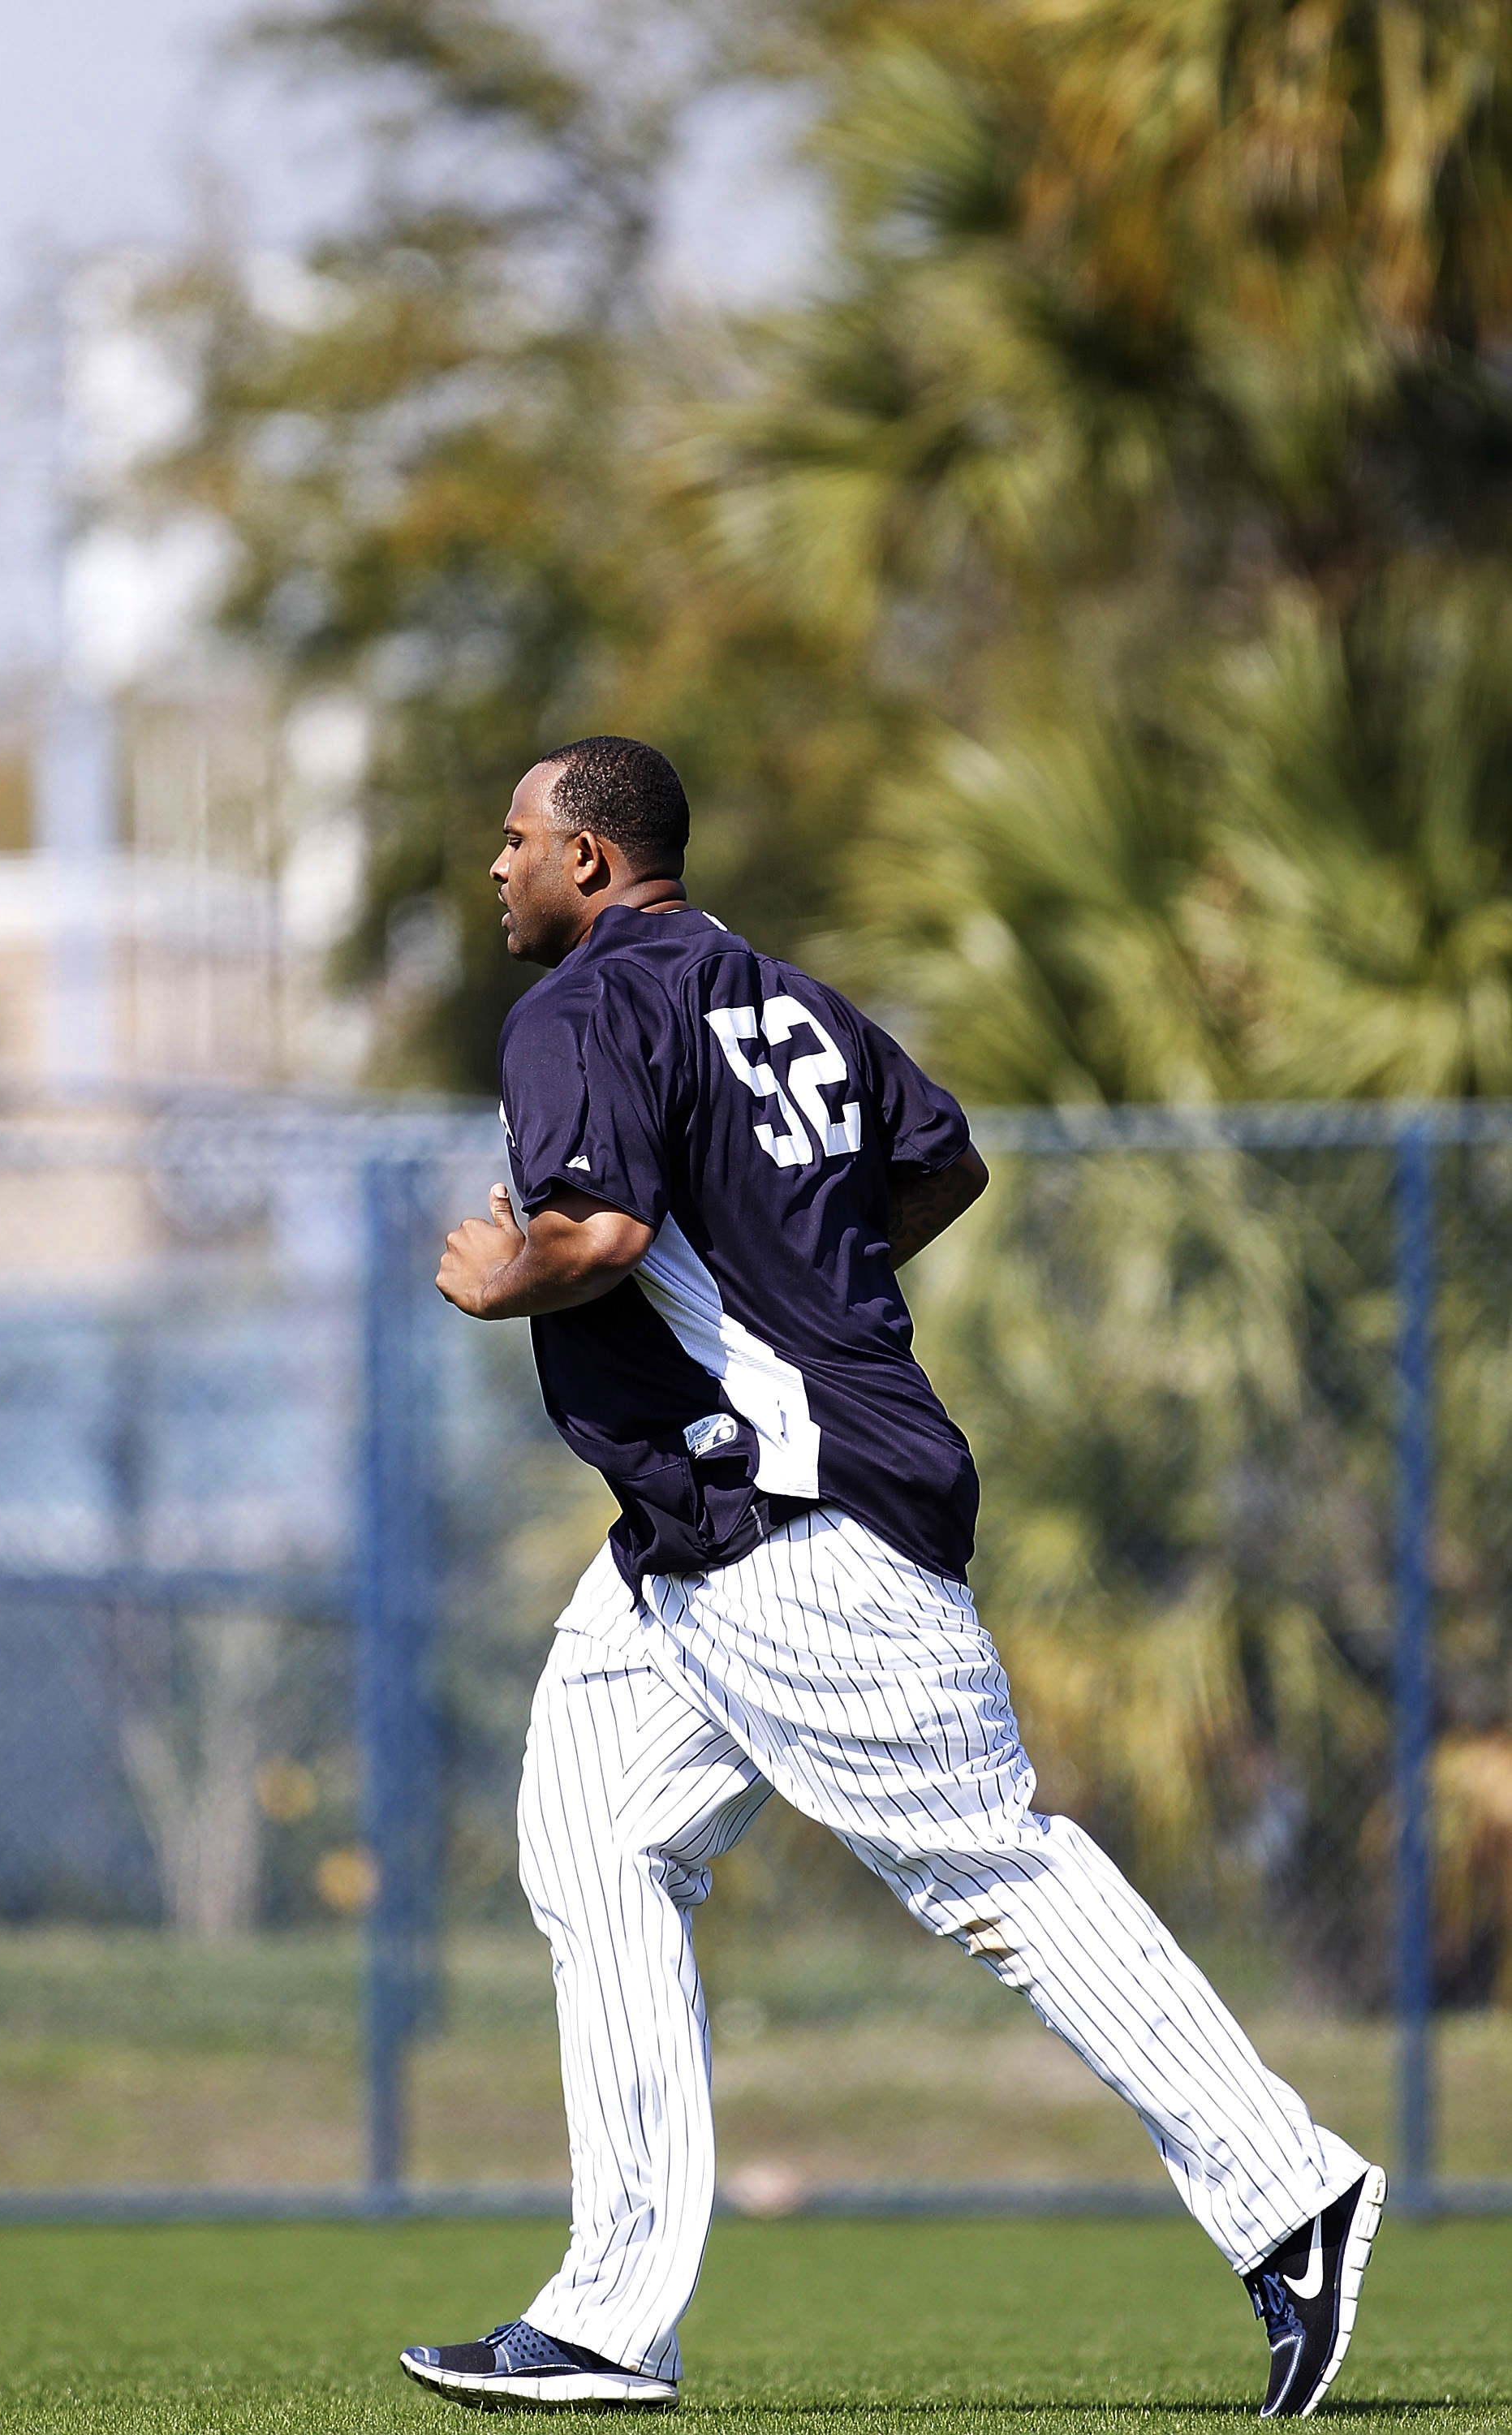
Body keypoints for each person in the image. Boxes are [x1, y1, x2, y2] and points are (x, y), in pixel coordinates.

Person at [403, 735, 1384, 2420]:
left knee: (992, 1871)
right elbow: (939, 1159)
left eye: (513, 842)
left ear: (587, 860)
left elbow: (598, 1231)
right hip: (690, 1533)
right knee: (592, 1844)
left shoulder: (576, 1007)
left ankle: (1288, 2192)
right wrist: (815, 1291)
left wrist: (507, 1277)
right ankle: (607, 2315)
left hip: (790, 1510)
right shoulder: (788, 1002)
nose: (494, 869)